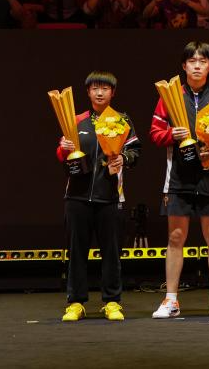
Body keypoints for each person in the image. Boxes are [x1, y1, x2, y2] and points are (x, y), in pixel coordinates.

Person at [149, 42, 209, 319]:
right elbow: (155, 132)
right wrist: (171, 135)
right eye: (191, 61)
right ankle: (170, 300)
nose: (196, 66)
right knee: (175, 237)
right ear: (184, 66)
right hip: (177, 179)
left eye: (202, 61)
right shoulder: (169, 97)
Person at [56, 71, 141, 322]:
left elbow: (135, 152)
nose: (100, 92)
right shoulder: (76, 120)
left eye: (105, 88)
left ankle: (112, 302)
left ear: (113, 92)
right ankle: (75, 303)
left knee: (111, 253)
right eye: (95, 88)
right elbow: (62, 156)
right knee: (76, 252)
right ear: (88, 92)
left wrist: (123, 158)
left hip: (111, 197)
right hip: (77, 197)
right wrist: (63, 149)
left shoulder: (122, 120)